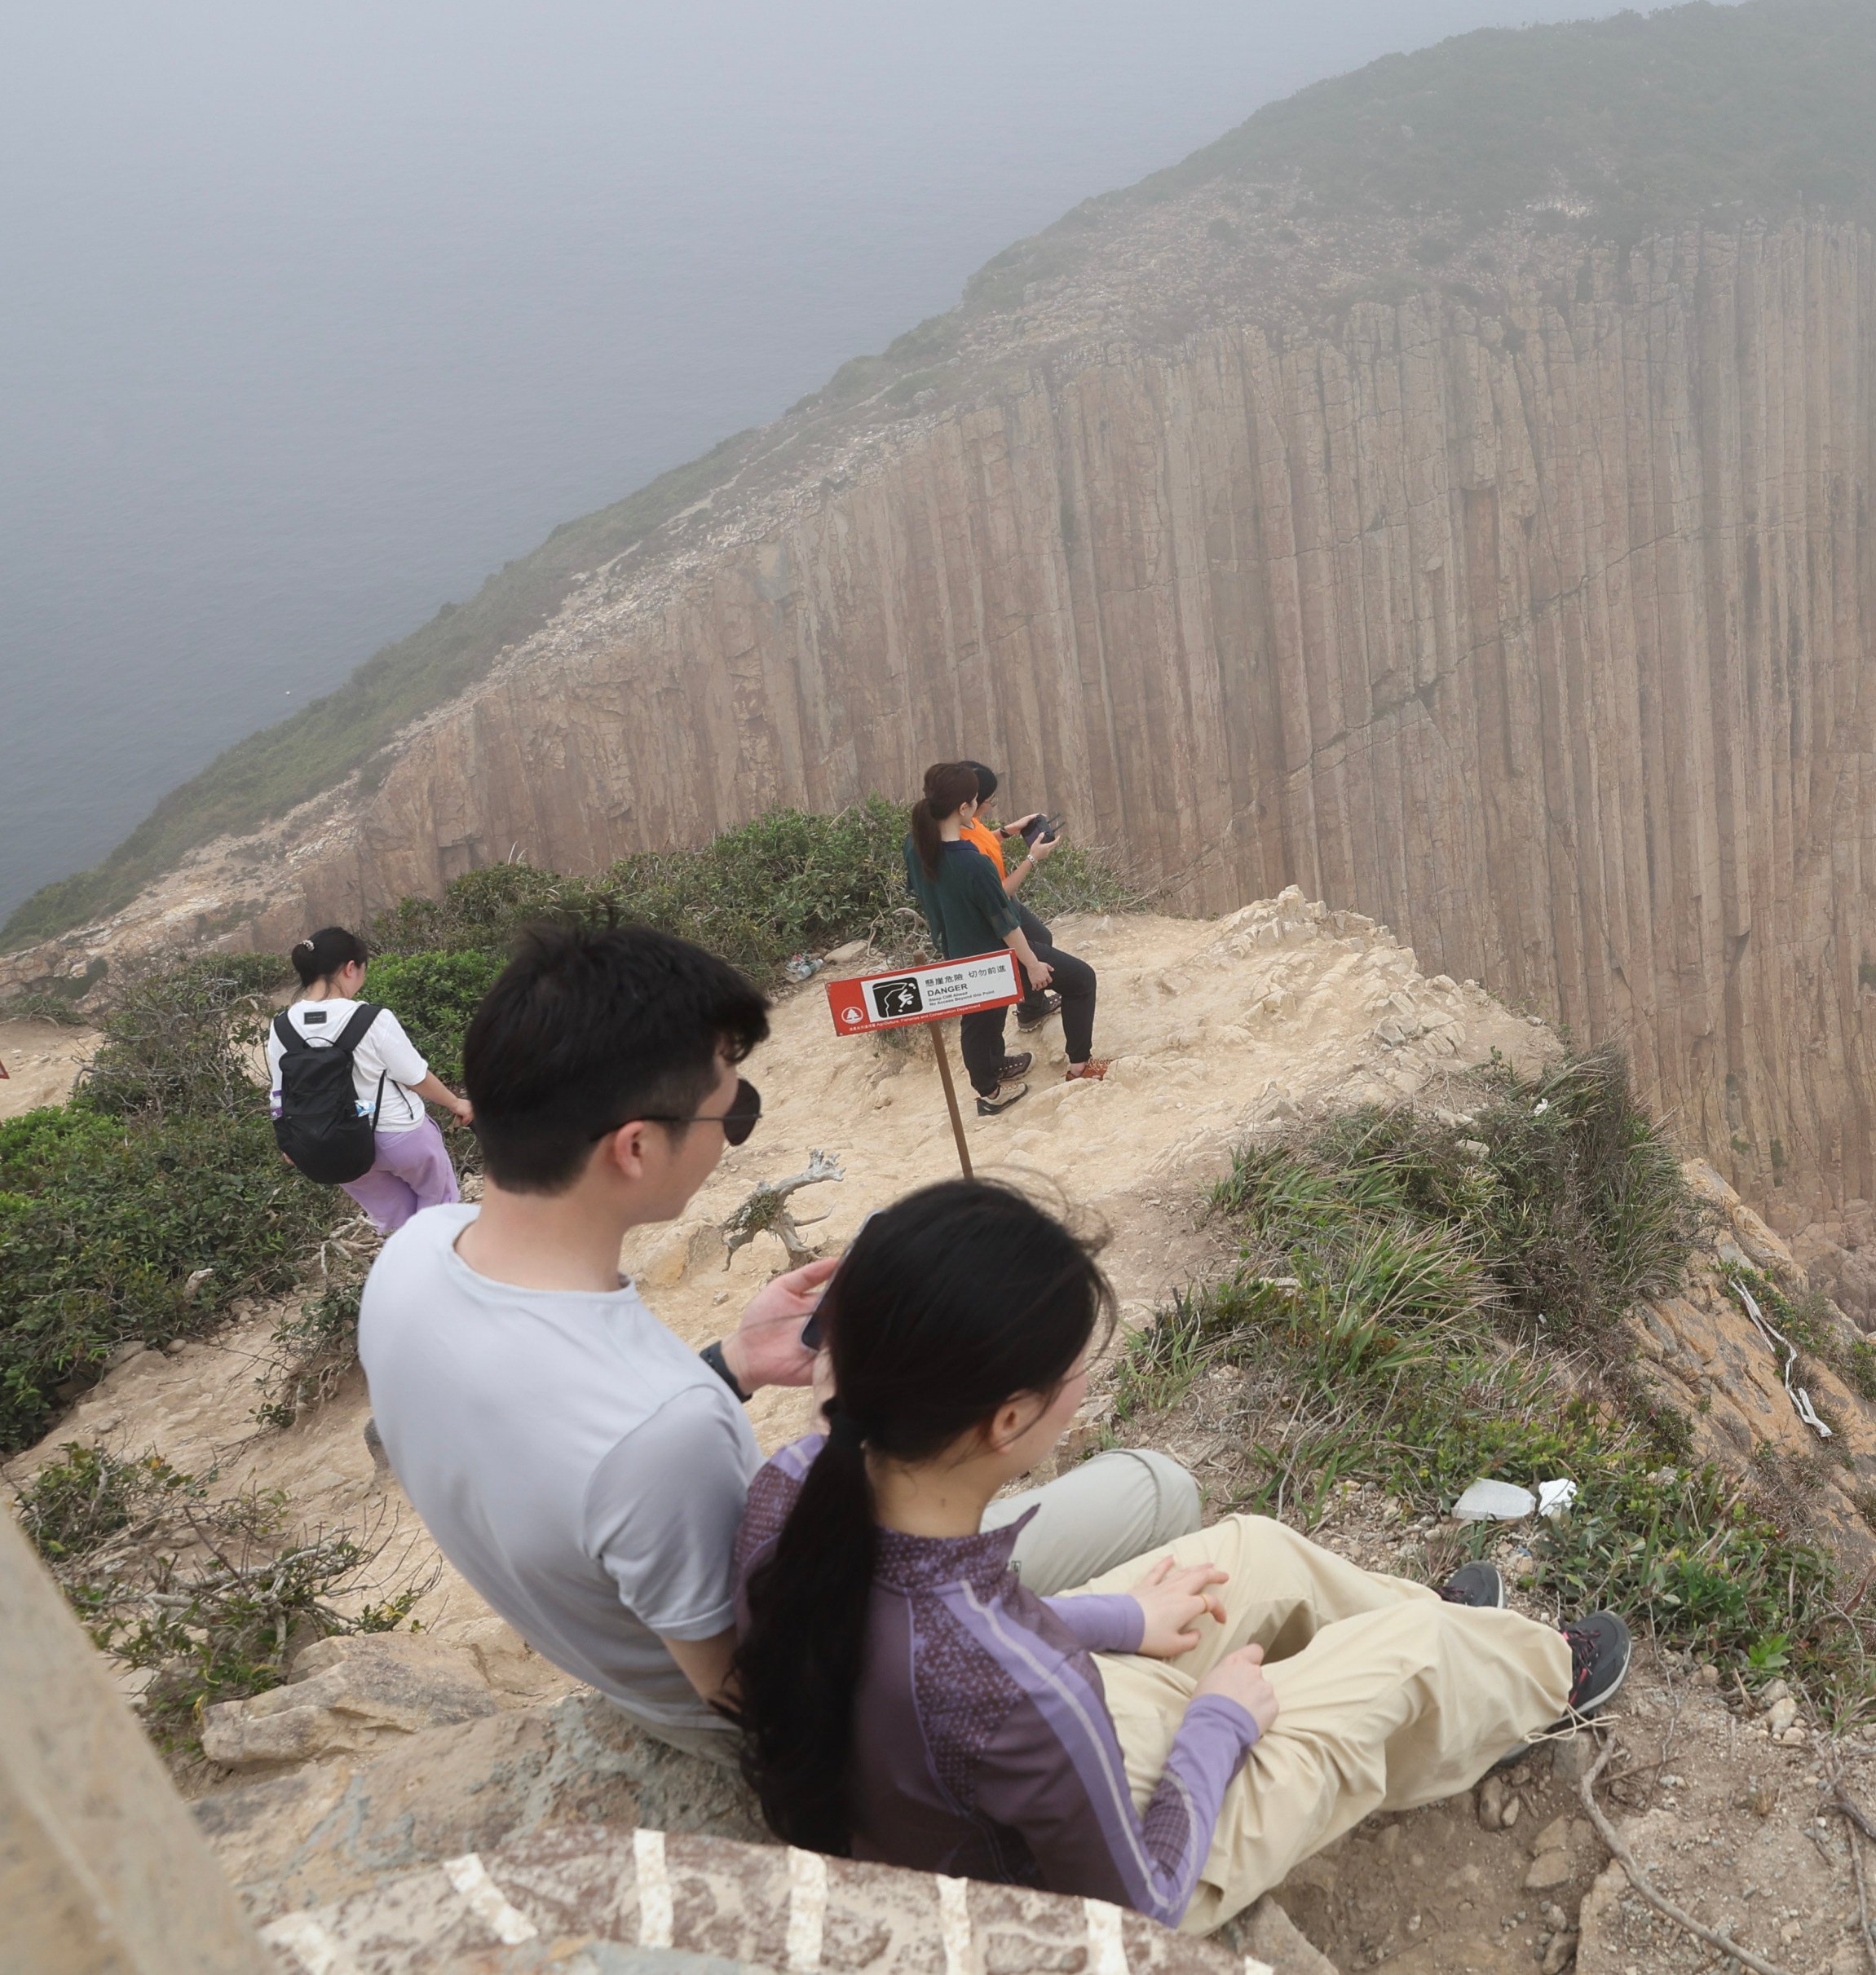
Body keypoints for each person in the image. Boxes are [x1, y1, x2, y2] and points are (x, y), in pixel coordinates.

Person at [356, 923, 1200, 1757]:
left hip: (622, 1662)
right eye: (734, 1112)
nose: (733, 1132)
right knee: (1157, 1488)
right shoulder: (666, 1435)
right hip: (768, 1716)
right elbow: (768, 1693)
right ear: (637, 1147)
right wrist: (847, 1432)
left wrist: (731, 1365)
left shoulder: (412, 1263)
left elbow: (568, 1455)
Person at [726, 1181, 1628, 1929]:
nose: (1085, 1383)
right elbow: (1141, 1898)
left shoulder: (801, 1486)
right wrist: (1219, 1722)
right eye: (1077, 1365)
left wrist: (1126, 1618)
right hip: (1085, 1893)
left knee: (1252, 1551)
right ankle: (1539, 1682)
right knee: (1409, 1655)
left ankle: (1464, 1655)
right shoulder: (1020, 1684)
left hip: (957, 1791)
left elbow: (964, 1626)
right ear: (1007, 1419)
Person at [906, 761, 1102, 1111]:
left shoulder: (917, 845)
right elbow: (1005, 923)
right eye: (979, 802)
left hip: (957, 946)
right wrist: (1032, 965)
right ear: (964, 807)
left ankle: (990, 1085)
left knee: (980, 1018)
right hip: (992, 955)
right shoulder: (971, 864)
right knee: (1081, 980)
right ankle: (1079, 1068)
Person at [266, 926, 475, 1232]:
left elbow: (279, 1093)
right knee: (440, 1209)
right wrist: (457, 1103)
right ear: (350, 968)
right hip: (399, 1135)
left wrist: (290, 1140)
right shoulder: (371, 1018)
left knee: (396, 1221)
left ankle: (407, 1271)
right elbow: (414, 1076)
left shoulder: (281, 1027)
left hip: (335, 1145)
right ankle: (443, 1266)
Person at [951, 759, 1064, 1033]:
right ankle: (1030, 1011)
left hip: (1004, 902)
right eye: (989, 800)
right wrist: (1032, 858)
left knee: (1041, 938)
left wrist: (1009, 830)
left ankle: (1031, 1007)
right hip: (994, 908)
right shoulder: (957, 841)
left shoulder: (967, 822)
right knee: (1031, 950)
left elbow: (983, 839)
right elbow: (998, 893)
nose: (990, 805)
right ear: (970, 802)